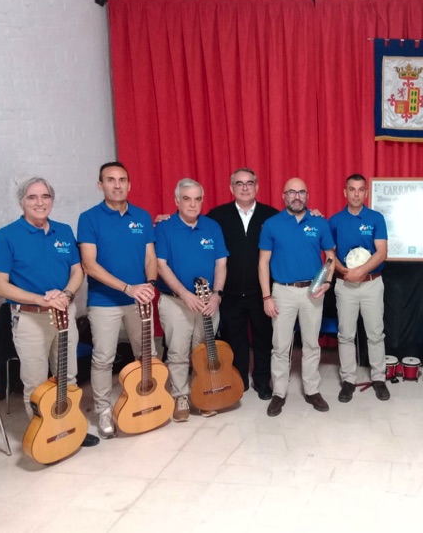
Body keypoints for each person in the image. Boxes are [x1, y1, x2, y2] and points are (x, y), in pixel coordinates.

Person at [0, 177, 98, 447]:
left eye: (45, 196)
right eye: (32, 197)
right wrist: (41, 300)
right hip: (29, 318)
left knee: (68, 378)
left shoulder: (64, 231)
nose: (40, 202)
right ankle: (45, 439)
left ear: (52, 200)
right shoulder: (5, 236)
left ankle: (70, 428)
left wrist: (66, 295)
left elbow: (77, 271)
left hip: (64, 314)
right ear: (21, 202)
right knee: (36, 384)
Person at [78, 162, 157, 439]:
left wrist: (150, 285)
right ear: (100, 185)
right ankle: (103, 410)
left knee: (146, 355)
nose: (117, 185)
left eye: (122, 180)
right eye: (110, 180)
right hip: (104, 301)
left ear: (129, 185)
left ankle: (147, 400)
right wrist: (128, 288)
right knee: (103, 359)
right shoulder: (89, 218)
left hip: (139, 299)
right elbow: (89, 264)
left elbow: (150, 257)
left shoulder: (142, 217)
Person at [258, 178, 335, 417]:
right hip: (282, 291)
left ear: (307, 195)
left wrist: (327, 281)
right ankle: (279, 392)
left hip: (312, 290)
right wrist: (267, 297)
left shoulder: (319, 223)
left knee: (311, 344)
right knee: (280, 346)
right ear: (284, 196)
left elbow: (330, 257)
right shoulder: (271, 224)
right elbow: (263, 263)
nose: (297, 196)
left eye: (301, 192)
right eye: (292, 192)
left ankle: (312, 390)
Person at [155, 179, 229, 421]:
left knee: (203, 352)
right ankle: (180, 396)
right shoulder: (165, 228)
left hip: (208, 302)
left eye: (197, 199)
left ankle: (202, 394)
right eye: (186, 199)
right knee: (177, 352)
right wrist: (185, 294)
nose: (192, 204)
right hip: (176, 302)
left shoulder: (212, 227)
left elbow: (221, 263)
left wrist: (217, 294)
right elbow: (161, 265)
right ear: (177, 201)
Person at [206, 168, 278, 401]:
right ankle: (239, 380)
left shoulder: (271, 216)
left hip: (262, 293)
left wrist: (313, 213)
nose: (245, 188)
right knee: (234, 340)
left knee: (263, 340)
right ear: (231, 188)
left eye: (249, 183)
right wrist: (167, 218)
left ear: (257, 187)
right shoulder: (217, 216)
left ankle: (262, 381)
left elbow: (293, 223)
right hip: (230, 293)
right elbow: (193, 225)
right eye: (239, 183)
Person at [329, 174, 389, 402]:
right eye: (352, 189)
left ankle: (379, 378)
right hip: (345, 284)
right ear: (345, 192)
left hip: (372, 283)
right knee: (345, 334)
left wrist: (360, 271)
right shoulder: (335, 221)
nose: (356, 194)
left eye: (360, 189)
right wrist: (345, 272)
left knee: (375, 333)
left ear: (366, 193)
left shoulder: (376, 218)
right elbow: (329, 254)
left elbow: (382, 252)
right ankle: (348, 380)